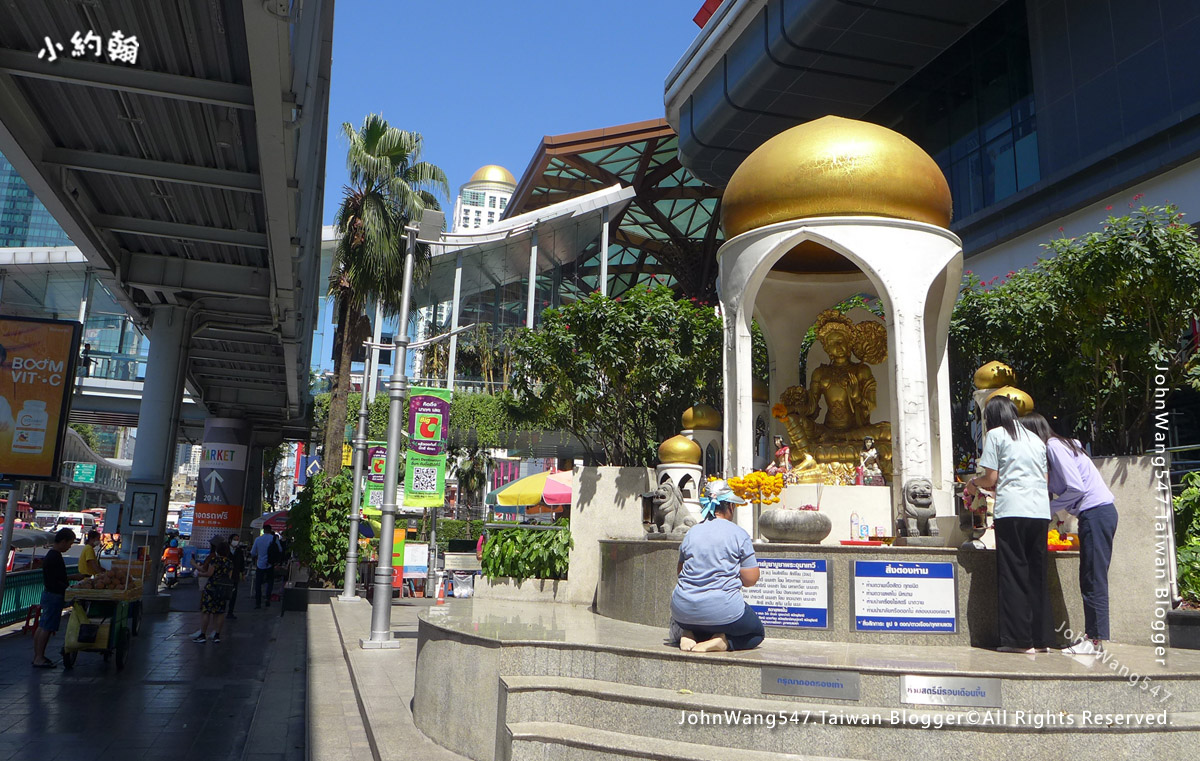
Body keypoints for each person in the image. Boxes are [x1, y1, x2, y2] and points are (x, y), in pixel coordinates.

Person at [1020, 413, 1117, 655]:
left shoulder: (1054, 446)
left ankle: (1095, 641)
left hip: (1095, 513)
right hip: (1095, 514)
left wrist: (1048, 508)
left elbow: (1076, 487)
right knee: (1089, 576)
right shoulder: (1062, 446)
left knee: (1093, 577)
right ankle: (1092, 638)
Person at [965, 396, 1052, 654]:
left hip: (1012, 510)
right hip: (1039, 510)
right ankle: (1042, 638)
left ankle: (1018, 641)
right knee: (1037, 573)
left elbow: (991, 477)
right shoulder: (1034, 438)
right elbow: (1045, 478)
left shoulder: (996, 435)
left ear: (991, 416)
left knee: (1013, 573)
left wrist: (973, 485)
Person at [670, 480, 765, 653]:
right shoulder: (738, 534)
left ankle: (688, 634)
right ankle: (723, 642)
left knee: (701, 619)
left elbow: (680, 572)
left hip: (682, 612)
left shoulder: (691, 533)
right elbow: (751, 579)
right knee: (756, 633)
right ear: (729, 506)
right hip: (723, 610)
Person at [32, 529, 87, 668]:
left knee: (43, 625)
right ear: (63, 541)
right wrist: (68, 588)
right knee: (47, 627)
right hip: (54, 595)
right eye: (69, 544)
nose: (69, 547)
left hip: (48, 593)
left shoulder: (52, 555)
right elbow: (57, 580)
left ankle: (38, 656)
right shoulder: (55, 556)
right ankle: (39, 658)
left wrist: (72, 577)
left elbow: (57, 577)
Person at [193, 538, 234, 643]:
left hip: (211, 587)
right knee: (220, 612)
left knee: (206, 611)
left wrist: (200, 574)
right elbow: (229, 576)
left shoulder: (214, 560)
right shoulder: (229, 562)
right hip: (223, 589)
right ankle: (217, 635)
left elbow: (209, 573)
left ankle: (203, 635)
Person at [250, 525, 281, 608]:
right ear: (270, 530)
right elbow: (280, 550)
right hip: (270, 564)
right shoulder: (274, 539)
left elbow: (253, 552)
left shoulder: (258, 539)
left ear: (263, 530)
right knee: (270, 582)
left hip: (260, 564)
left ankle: (258, 602)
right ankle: (267, 598)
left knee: (258, 584)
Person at [227, 533, 247, 619]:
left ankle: (230, 612)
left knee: (233, 594)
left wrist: (243, 574)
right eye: (235, 539)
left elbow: (241, 563)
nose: (236, 541)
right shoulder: (226, 549)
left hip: (235, 574)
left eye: (237, 540)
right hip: (225, 574)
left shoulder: (239, 551)